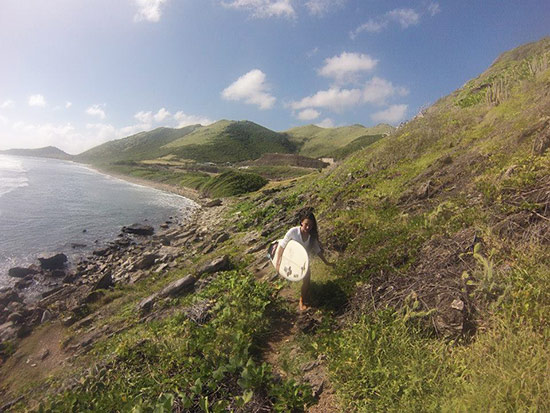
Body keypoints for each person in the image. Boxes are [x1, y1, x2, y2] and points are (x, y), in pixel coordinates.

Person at [275, 210, 334, 311]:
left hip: (302, 261)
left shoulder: (312, 236)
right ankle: (275, 295)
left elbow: (317, 250)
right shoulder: (293, 231)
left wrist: (326, 262)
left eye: (310, 225)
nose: (308, 227)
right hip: (290, 259)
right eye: (306, 224)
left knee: (307, 280)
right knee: (284, 279)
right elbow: (282, 246)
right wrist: (278, 262)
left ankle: (302, 300)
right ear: (301, 222)